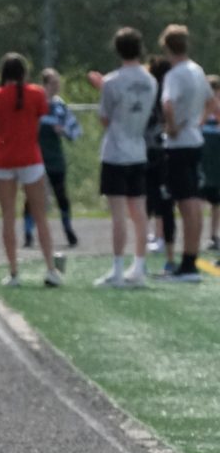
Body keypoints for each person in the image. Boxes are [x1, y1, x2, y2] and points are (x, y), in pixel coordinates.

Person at [0, 53, 64, 287]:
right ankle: (50, 269)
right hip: (30, 158)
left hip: (3, 160)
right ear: (24, 73)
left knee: (8, 217)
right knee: (41, 216)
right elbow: (40, 114)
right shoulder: (36, 93)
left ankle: (14, 272)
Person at [88, 27, 157, 288]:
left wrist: (102, 88)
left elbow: (105, 118)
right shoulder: (151, 80)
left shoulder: (113, 81)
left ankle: (117, 269)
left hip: (116, 152)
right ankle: (139, 266)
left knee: (118, 213)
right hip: (138, 149)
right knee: (139, 212)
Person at [157, 23, 213, 282]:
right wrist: (198, 122)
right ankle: (191, 258)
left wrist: (172, 127)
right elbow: (211, 102)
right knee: (194, 203)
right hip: (195, 140)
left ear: (167, 47)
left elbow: (168, 103)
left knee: (186, 203)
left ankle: (188, 266)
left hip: (179, 145)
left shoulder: (175, 74)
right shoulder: (197, 70)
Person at [23, 67, 81, 249]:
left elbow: (76, 130)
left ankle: (68, 230)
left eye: (58, 83)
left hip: (55, 159)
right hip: (36, 158)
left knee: (61, 196)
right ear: (45, 84)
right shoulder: (35, 103)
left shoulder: (59, 106)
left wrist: (63, 130)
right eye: (54, 83)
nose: (57, 86)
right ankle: (28, 233)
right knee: (32, 198)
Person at [142, 56, 176, 269]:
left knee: (145, 206)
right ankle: (170, 259)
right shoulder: (169, 94)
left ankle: (141, 260)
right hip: (167, 155)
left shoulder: (150, 94)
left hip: (146, 154)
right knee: (167, 207)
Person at [200, 75, 220, 252]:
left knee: (216, 202)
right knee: (198, 199)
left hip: (217, 160)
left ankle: (214, 235)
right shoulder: (200, 109)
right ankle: (197, 235)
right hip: (203, 158)